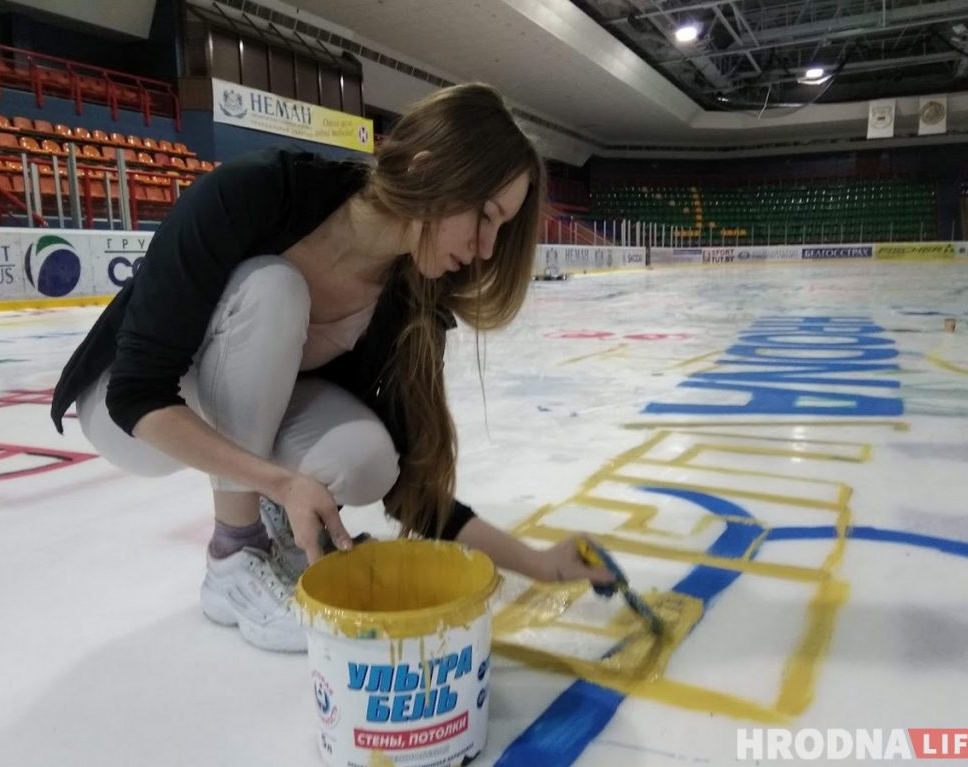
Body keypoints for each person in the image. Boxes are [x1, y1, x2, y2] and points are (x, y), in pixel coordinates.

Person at [50, 83, 613, 652]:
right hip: (130, 415)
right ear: (427, 170)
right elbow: (136, 391)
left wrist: (538, 564)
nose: (489, 248)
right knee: (275, 289)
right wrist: (280, 481)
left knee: (365, 459)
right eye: (485, 217)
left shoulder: (410, 295)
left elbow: (410, 490)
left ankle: (281, 528)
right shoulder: (258, 191)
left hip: (230, 421)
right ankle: (234, 550)